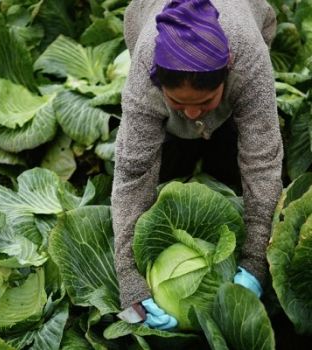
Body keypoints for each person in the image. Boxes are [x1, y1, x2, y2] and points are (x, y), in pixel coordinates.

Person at [111, 0, 283, 329]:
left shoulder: (249, 60)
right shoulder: (145, 72)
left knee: (236, 157)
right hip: (146, 20)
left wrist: (255, 262)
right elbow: (133, 172)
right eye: (178, 102)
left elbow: (262, 164)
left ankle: (214, 114)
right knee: (162, 162)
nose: (191, 113)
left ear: (228, 71)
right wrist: (130, 277)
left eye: (204, 102)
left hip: (245, 26)